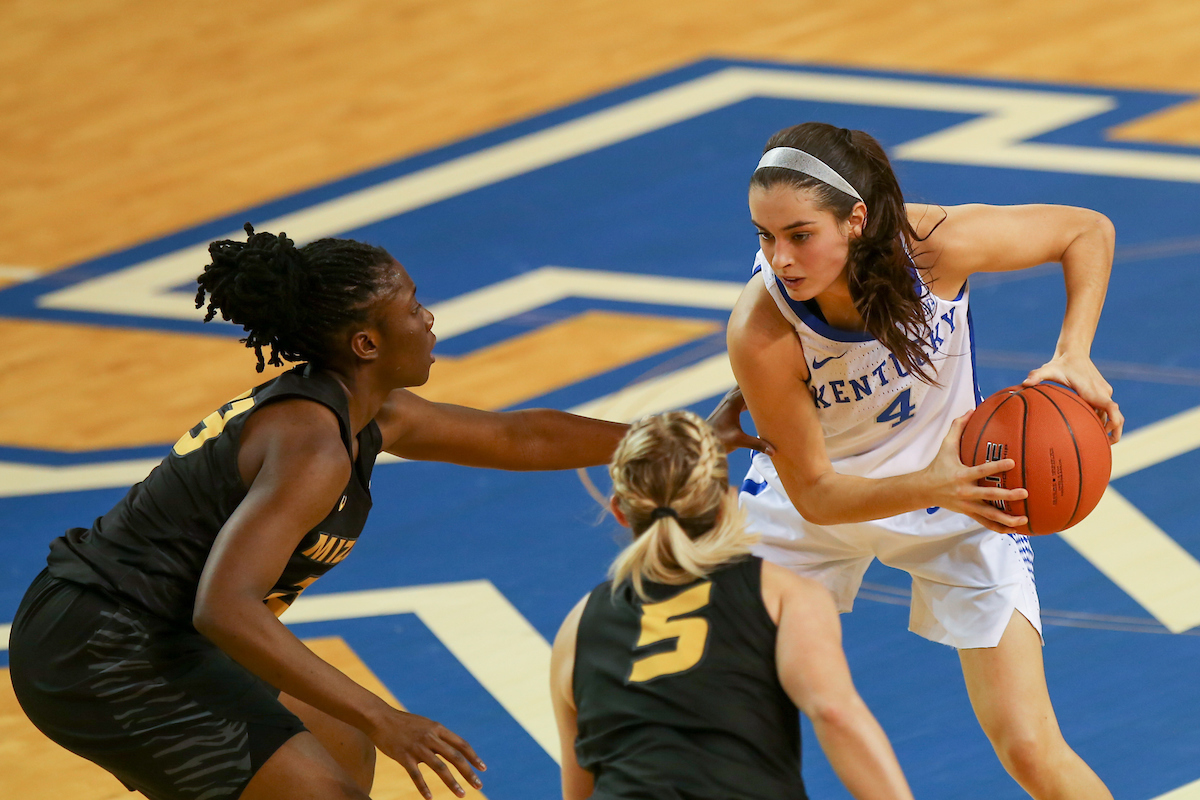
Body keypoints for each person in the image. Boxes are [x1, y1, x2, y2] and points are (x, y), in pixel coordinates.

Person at [8, 225, 760, 800]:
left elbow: (516, 434)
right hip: (101, 650)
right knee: (333, 775)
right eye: (412, 308)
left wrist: (686, 439)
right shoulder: (312, 446)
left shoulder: (370, 412)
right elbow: (226, 607)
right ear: (367, 341)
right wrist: (386, 714)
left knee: (339, 750)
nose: (428, 317)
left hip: (150, 629)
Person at [726, 122, 1123, 799]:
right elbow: (818, 493)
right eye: (765, 237)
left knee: (1030, 747)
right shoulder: (760, 330)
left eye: (799, 235)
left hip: (962, 491)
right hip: (814, 508)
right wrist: (932, 483)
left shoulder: (934, 247)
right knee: (728, 737)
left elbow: (1086, 231)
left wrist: (1073, 352)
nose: (782, 259)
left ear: (855, 220)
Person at [549, 410, 916, 800]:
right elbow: (835, 714)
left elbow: (581, 787)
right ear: (725, 501)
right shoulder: (781, 593)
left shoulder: (577, 627)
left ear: (620, 511)